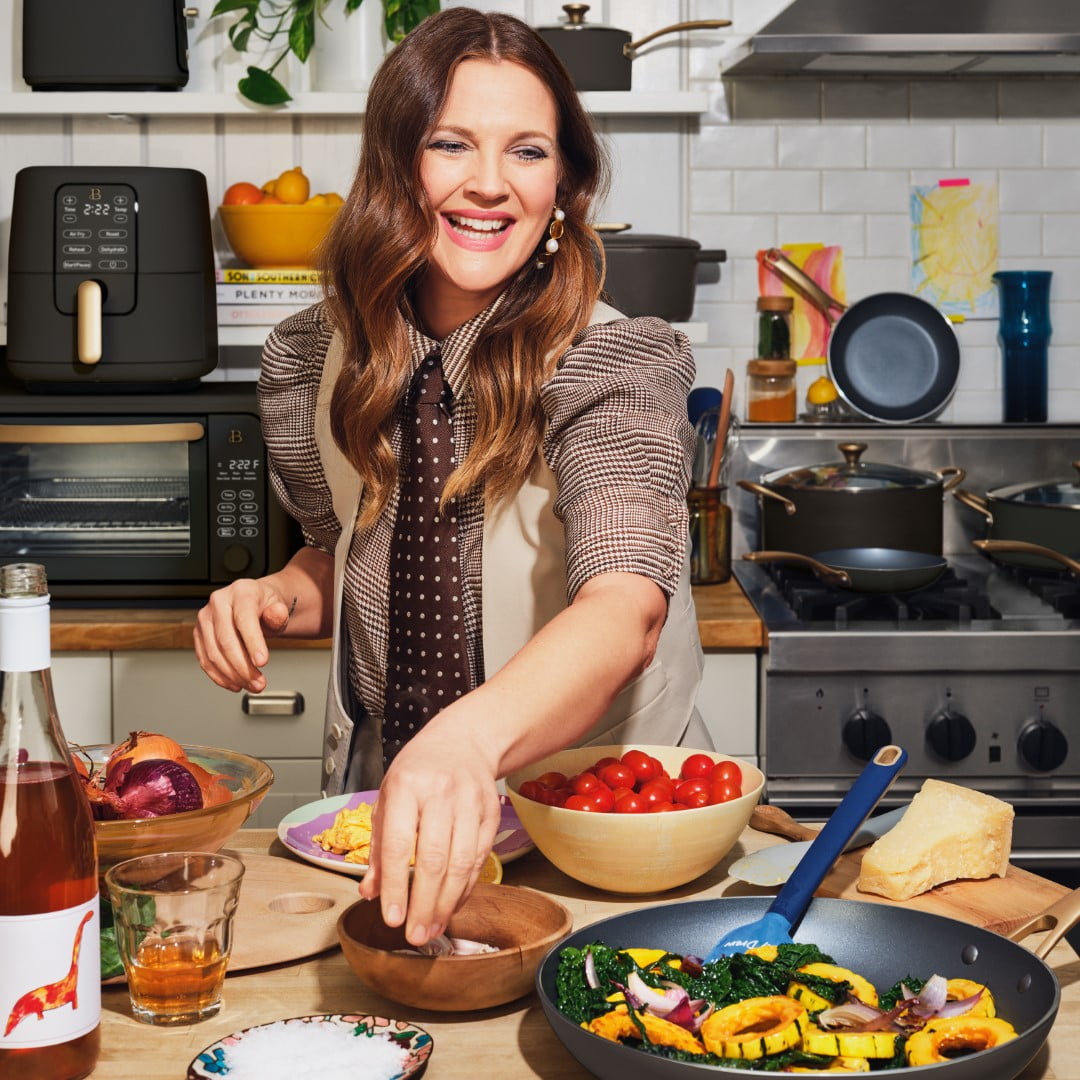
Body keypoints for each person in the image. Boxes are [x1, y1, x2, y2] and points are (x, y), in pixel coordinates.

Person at [194, 7, 707, 947]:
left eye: (527, 152)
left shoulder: (619, 360)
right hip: (386, 819)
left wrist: (465, 741)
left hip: (598, 836)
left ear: (564, 183)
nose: (489, 184)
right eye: (451, 143)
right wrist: (275, 595)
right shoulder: (309, 357)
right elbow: (336, 550)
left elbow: (626, 605)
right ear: (395, 163)